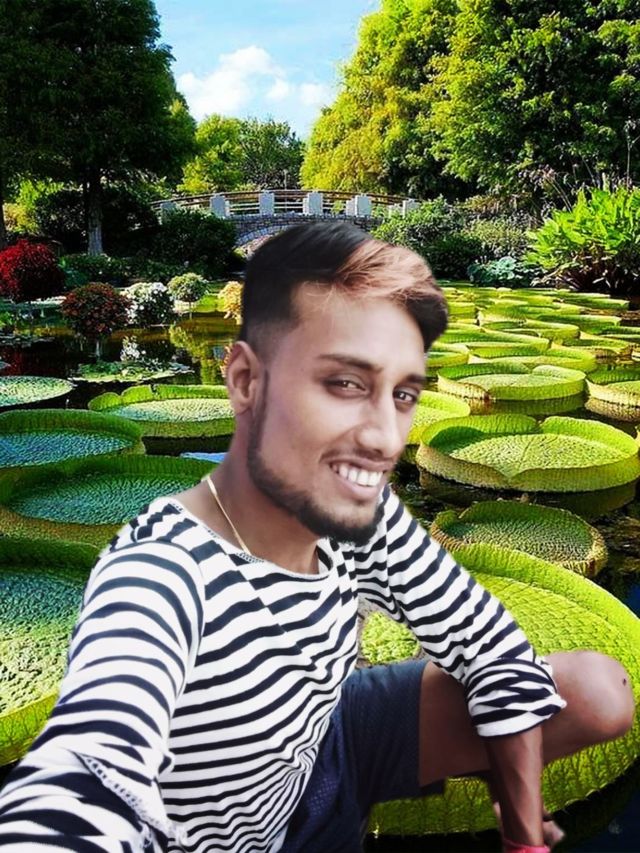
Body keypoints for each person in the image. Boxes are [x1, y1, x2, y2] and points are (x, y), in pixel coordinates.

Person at [0, 222, 634, 853]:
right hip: (214, 810)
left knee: (597, 691)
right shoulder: (159, 574)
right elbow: (91, 760)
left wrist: (521, 819)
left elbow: (484, 638)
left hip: (332, 736)